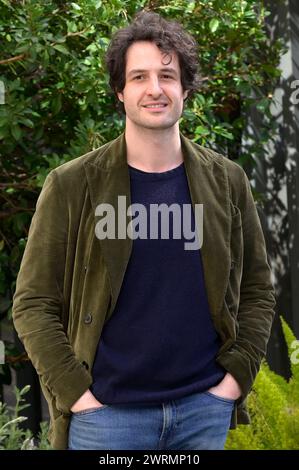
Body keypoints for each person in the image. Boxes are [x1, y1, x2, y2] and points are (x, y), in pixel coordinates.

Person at [12, 11, 275, 450]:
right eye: (139, 76)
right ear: (120, 91)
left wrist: (232, 382)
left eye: (167, 75)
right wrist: (77, 394)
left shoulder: (227, 180)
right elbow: (33, 302)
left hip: (201, 412)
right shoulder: (73, 185)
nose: (155, 89)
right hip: (106, 420)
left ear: (185, 88)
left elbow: (257, 290)